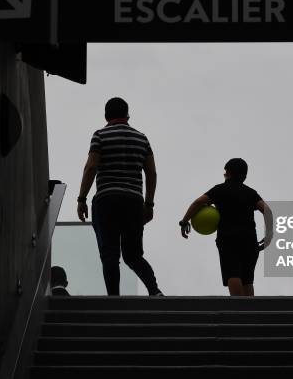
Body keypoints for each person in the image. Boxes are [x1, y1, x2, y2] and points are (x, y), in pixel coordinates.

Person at [77, 97, 163, 296]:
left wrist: (81, 199)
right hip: (133, 202)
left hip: (106, 200)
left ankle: (113, 298)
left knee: (110, 254)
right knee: (133, 255)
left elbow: (91, 167)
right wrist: (149, 204)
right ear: (127, 115)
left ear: (106, 116)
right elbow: (151, 172)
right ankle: (154, 290)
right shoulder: (142, 138)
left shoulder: (99, 135)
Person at [179, 158, 273, 296]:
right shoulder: (251, 192)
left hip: (228, 238)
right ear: (244, 176)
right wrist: (269, 235)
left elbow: (198, 202)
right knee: (247, 279)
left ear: (227, 173)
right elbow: (268, 211)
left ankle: (239, 311)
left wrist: (184, 221)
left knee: (233, 273)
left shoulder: (220, 190)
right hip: (249, 240)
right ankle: (250, 312)